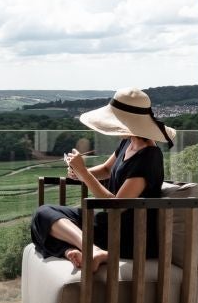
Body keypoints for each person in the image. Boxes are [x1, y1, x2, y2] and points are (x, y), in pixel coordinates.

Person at [30, 87, 176, 271]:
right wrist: (79, 171)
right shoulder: (129, 142)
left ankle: (89, 249)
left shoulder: (149, 158)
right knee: (43, 215)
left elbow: (116, 206)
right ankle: (75, 251)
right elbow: (107, 169)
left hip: (129, 235)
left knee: (45, 221)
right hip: (109, 224)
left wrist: (84, 173)